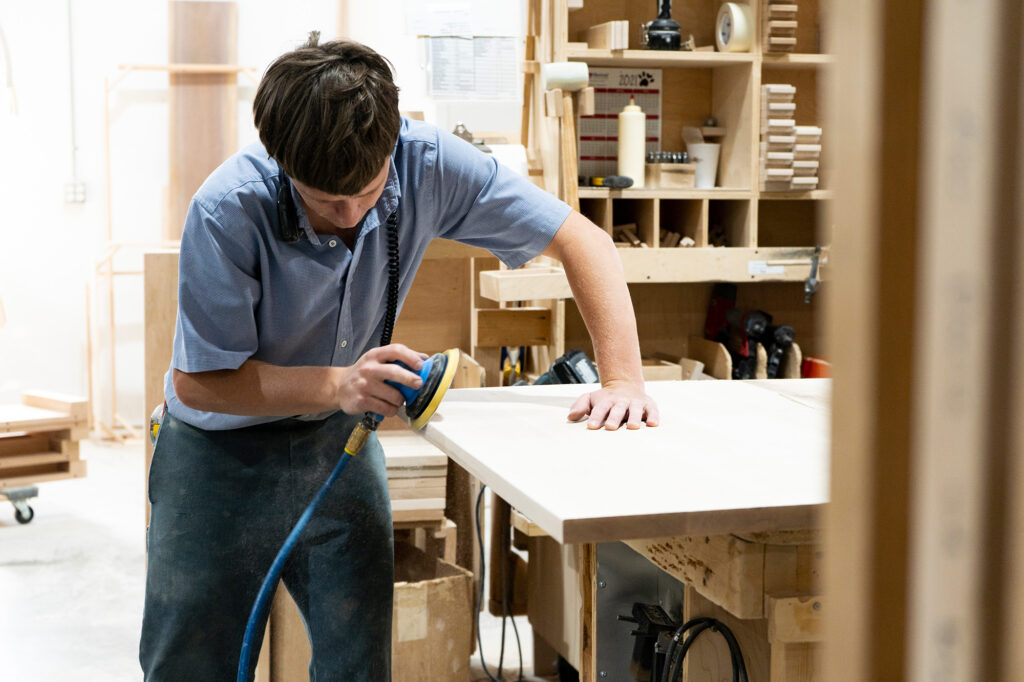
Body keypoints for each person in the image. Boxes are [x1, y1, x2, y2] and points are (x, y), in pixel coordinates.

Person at [140, 33, 659, 681]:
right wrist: (338, 384)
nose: (353, 215)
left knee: (358, 658)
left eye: (368, 191)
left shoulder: (428, 162)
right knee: (189, 661)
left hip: (338, 439)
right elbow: (199, 386)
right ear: (282, 163)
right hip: (216, 455)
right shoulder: (227, 210)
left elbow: (583, 241)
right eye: (328, 201)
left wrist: (624, 378)